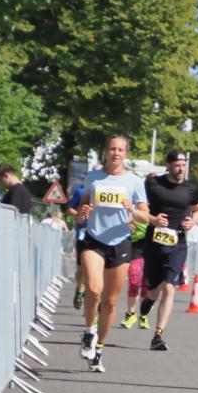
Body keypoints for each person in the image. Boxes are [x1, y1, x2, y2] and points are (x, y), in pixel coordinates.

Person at [76, 136, 149, 373]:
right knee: (94, 289)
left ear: (126, 153)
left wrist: (133, 211)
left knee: (109, 302)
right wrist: (82, 212)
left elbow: (145, 216)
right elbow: (80, 213)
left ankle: (99, 350)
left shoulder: (134, 181)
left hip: (120, 242)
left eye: (120, 149)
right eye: (112, 148)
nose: (116, 153)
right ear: (106, 151)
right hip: (94, 239)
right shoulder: (93, 177)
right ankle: (89, 332)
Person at [137, 149, 198, 351]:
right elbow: (139, 208)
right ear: (168, 165)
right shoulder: (153, 184)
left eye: (184, 164)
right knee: (154, 288)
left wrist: (192, 222)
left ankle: (158, 335)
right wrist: (153, 220)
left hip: (177, 244)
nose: (181, 168)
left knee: (169, 286)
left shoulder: (191, 188)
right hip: (154, 244)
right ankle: (148, 299)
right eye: (177, 164)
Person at [119, 220, 151, 330]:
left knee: (147, 284)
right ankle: (131, 314)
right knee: (134, 278)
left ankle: (143, 315)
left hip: (151, 245)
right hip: (134, 246)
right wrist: (126, 225)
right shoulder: (132, 204)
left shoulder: (156, 205)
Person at [67, 183, 87, 309]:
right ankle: (79, 289)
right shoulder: (81, 191)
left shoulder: (112, 189)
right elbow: (70, 208)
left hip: (102, 236)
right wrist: (78, 216)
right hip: (83, 232)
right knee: (82, 269)